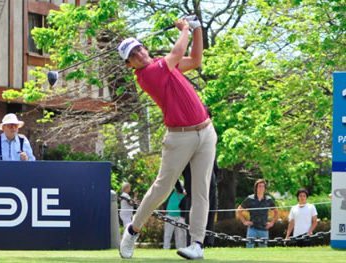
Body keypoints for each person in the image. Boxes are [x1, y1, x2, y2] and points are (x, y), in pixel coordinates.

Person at [118, 16, 217, 260]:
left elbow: (195, 59)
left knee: (202, 190)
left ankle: (197, 244)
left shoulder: (166, 65)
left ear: (145, 47)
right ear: (130, 64)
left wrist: (197, 31)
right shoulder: (148, 74)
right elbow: (177, 50)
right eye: (133, 55)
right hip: (179, 137)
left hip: (206, 131)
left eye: (139, 48)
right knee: (162, 188)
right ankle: (133, 230)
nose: (139, 54)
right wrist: (184, 28)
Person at [237, 179, 278, 248]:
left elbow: (276, 212)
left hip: (264, 228)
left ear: (265, 188)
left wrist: (272, 223)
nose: (261, 188)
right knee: (249, 248)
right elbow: (239, 210)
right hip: (252, 228)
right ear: (256, 188)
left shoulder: (268, 200)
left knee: (263, 251)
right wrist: (244, 221)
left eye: (263, 186)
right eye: (259, 186)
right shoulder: (250, 199)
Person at [163, 184, 187, 249]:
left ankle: (181, 248)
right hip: (169, 215)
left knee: (180, 235)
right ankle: (166, 248)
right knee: (167, 234)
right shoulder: (171, 192)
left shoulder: (185, 194)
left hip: (180, 217)